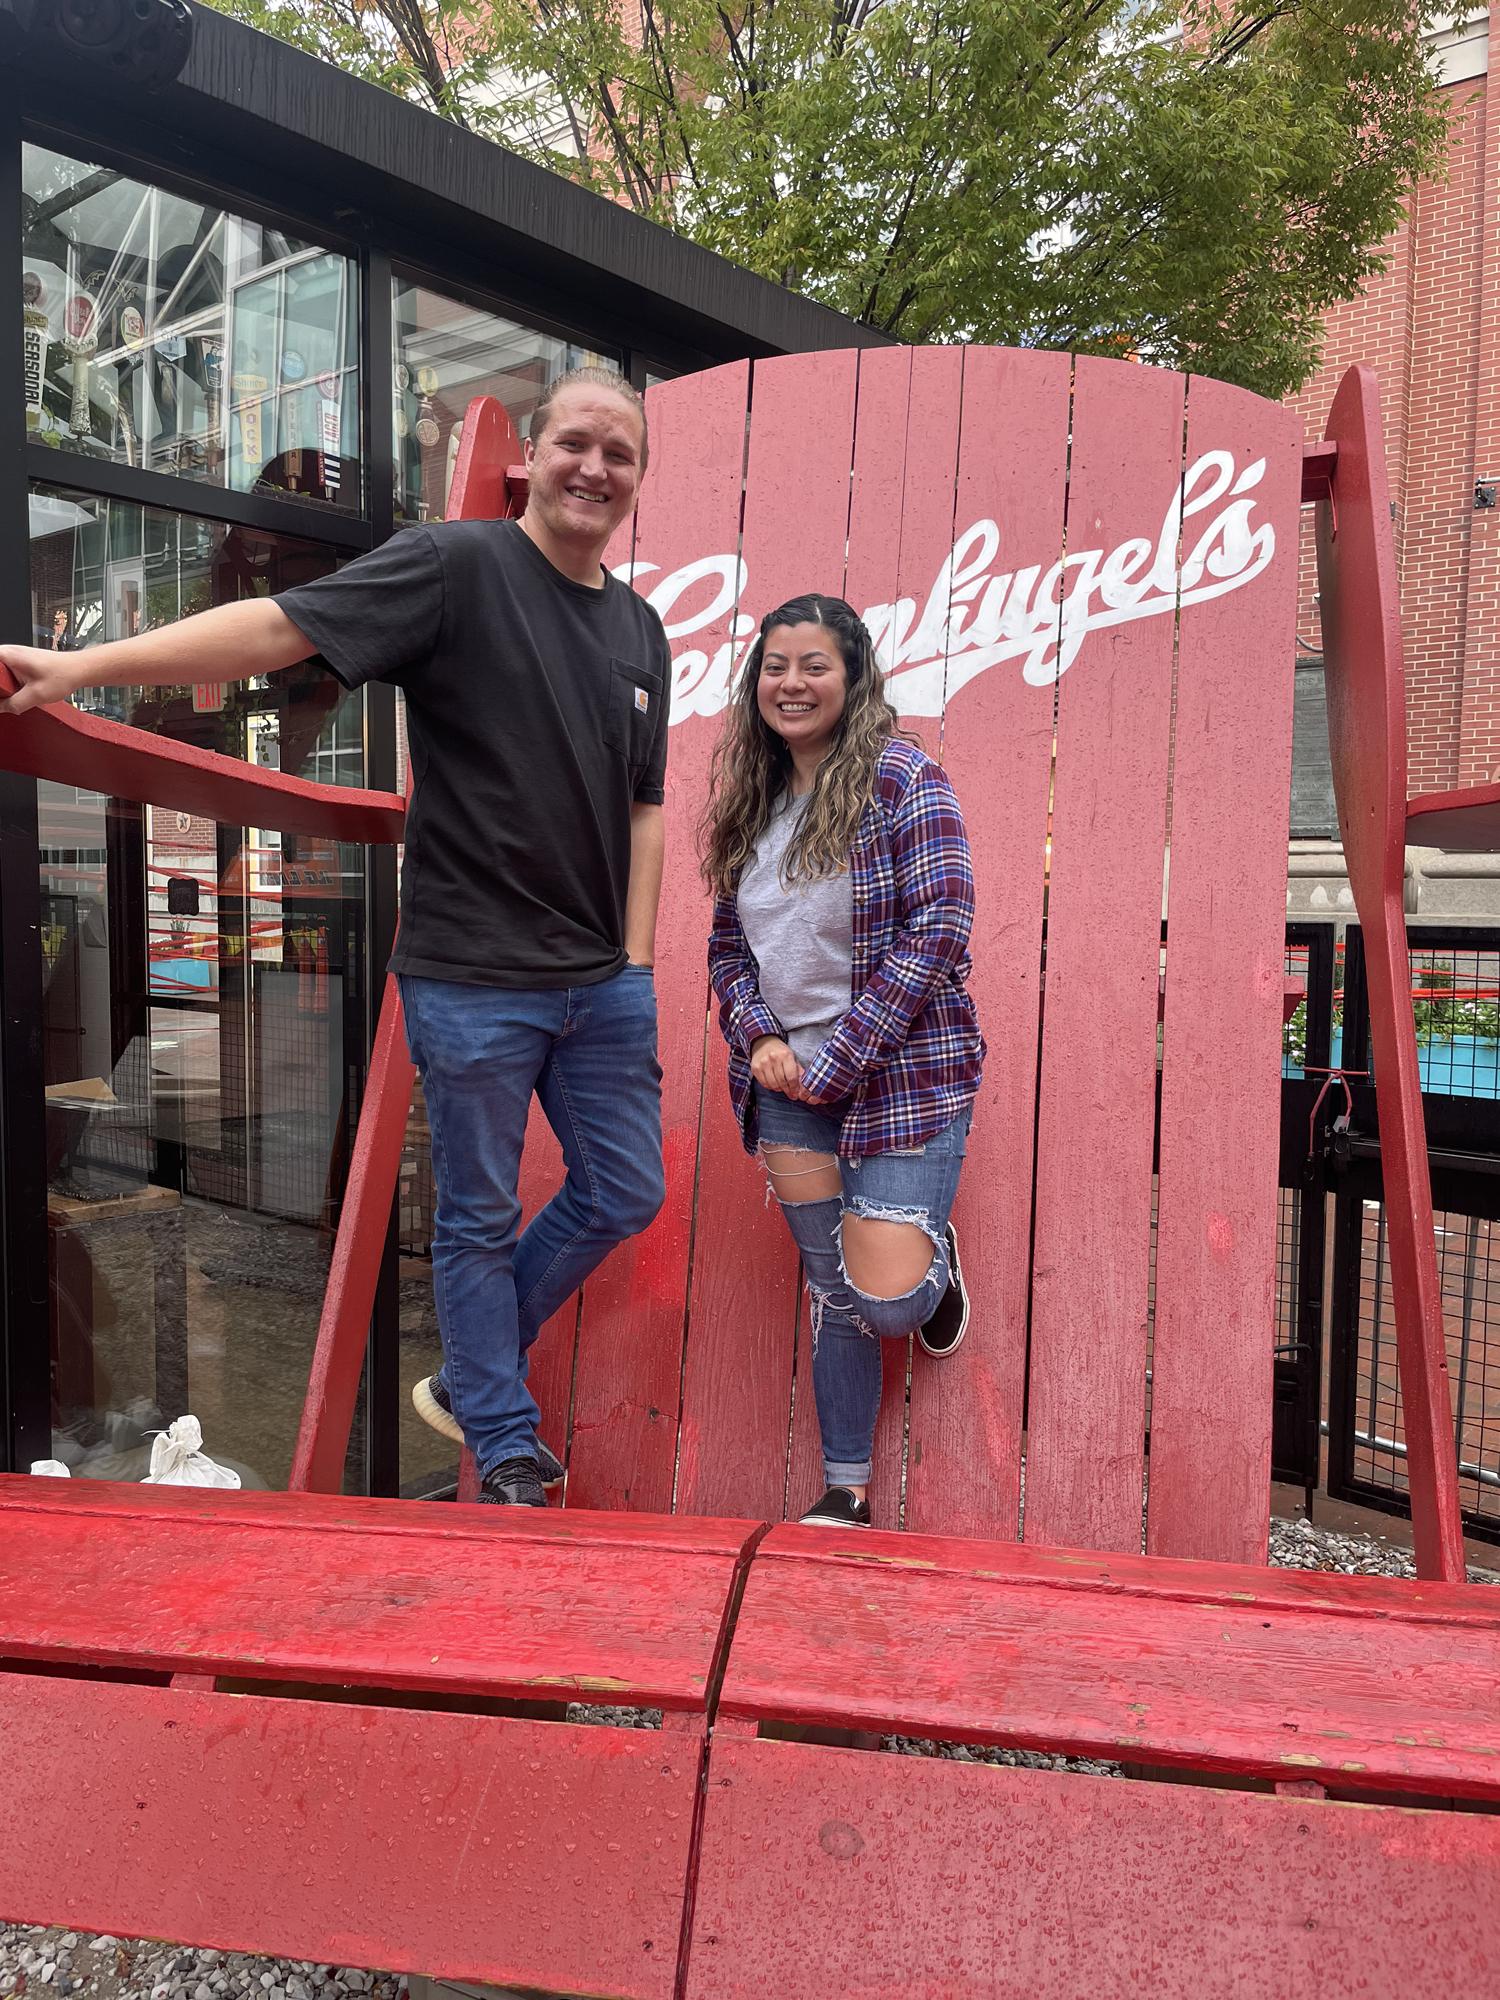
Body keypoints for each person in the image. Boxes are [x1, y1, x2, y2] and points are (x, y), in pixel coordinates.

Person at [1, 365, 670, 1509]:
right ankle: (504, 1440)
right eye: (575, 442)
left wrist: (641, 960)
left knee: (626, 1187)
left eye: (619, 452)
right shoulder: (457, 567)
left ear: (637, 478)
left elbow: (646, 804)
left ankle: (472, 1373)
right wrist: (87, 667)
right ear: (536, 456)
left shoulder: (639, 627)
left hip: (600, 982)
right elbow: (274, 626)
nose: (593, 467)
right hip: (472, 973)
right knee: (473, 1215)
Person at [702, 593, 983, 1529]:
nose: (791, 683)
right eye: (774, 666)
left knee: (889, 1301)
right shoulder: (753, 801)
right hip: (789, 1092)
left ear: (854, 677)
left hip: (905, 1081)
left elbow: (939, 929)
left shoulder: (905, 780)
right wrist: (762, 1038)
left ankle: (932, 1267)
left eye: (814, 665)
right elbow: (727, 951)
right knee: (836, 1295)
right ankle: (847, 1489)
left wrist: (844, 1058)